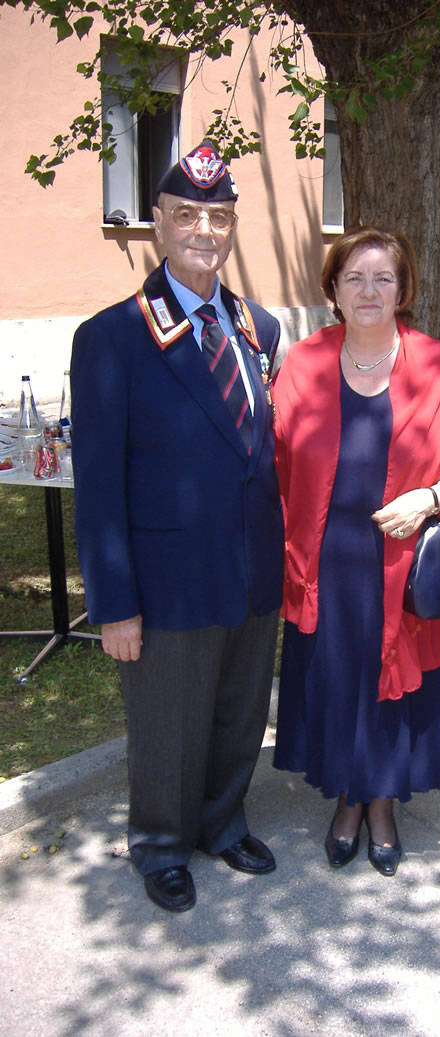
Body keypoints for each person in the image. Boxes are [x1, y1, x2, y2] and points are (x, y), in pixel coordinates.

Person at [71, 142, 284, 913]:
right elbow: (98, 485)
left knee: (239, 709)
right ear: (157, 223)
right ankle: (161, 842)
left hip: (250, 566)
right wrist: (114, 603)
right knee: (167, 722)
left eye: (218, 217)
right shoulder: (114, 337)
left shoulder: (258, 327)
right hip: (165, 580)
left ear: (232, 229)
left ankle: (223, 821)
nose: (204, 230)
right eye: (187, 214)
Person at [272, 226, 440, 876]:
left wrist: (430, 498)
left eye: (383, 278)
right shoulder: (302, 364)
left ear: (403, 288)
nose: (368, 290)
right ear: (333, 288)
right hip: (326, 563)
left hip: (405, 559)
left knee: (393, 685)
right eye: (354, 278)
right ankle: (348, 796)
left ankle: (381, 802)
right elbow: (274, 466)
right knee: (340, 680)